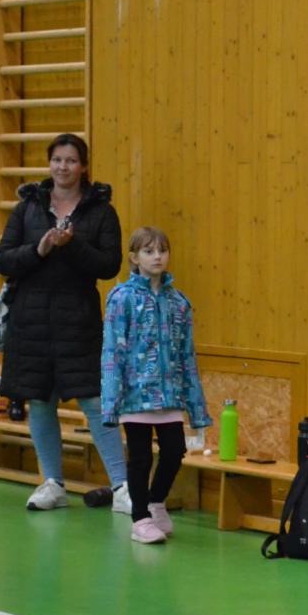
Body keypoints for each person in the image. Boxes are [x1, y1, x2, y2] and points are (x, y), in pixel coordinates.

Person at [0, 133, 129, 514]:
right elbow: (2, 259)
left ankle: (122, 486)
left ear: (83, 167)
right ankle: (52, 482)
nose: (63, 167)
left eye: (71, 160)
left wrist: (73, 245)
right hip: (31, 320)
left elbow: (109, 265)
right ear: (49, 163)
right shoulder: (28, 207)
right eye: (57, 160)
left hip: (79, 320)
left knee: (95, 400)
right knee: (39, 400)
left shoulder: (101, 211)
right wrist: (39, 249)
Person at [100, 227, 211, 544]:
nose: (157, 257)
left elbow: (187, 354)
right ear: (134, 258)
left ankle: (155, 501)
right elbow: (112, 351)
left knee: (175, 450)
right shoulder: (122, 298)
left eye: (162, 250)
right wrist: (112, 400)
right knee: (140, 457)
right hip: (135, 395)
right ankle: (140, 519)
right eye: (149, 251)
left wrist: (195, 404)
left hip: (170, 394)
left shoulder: (179, 302)